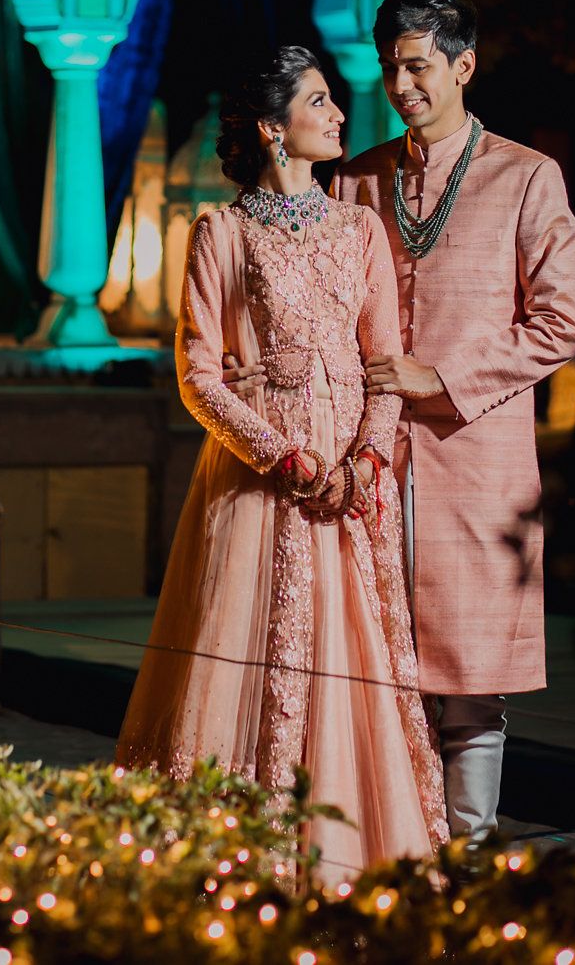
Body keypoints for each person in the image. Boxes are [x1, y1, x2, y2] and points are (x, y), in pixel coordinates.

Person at [229, 0, 575, 846]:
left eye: (418, 65)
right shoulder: (357, 178)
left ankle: (464, 849)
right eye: (390, 66)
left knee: (469, 674)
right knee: (367, 661)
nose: (399, 84)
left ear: (463, 67)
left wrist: (442, 375)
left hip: (477, 456)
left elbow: (562, 322)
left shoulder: (527, 176)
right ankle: (383, 844)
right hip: (363, 460)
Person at [116, 46, 448, 882]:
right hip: (262, 484)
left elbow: (385, 362)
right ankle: (237, 870)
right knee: (244, 661)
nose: (339, 114)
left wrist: (367, 455)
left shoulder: (360, 228)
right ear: (273, 128)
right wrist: (285, 457)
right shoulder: (221, 233)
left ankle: (347, 864)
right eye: (319, 101)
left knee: (353, 665)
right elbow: (198, 378)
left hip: (352, 486)